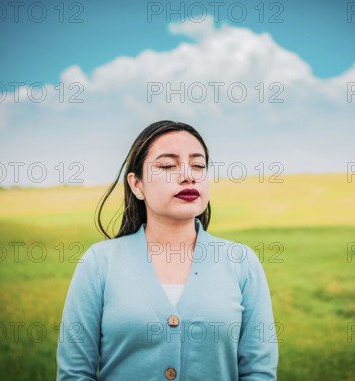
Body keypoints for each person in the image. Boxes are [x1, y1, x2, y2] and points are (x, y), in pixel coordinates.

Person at [56, 120, 279, 380]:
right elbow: (75, 373)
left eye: (198, 165)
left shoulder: (241, 262)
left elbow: (258, 372)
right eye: (167, 165)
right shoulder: (99, 263)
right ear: (137, 185)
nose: (188, 175)